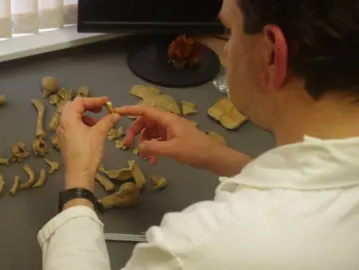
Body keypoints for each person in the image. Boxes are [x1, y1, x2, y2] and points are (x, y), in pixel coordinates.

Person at [38, 0, 359, 269]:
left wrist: (78, 185)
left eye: (228, 32)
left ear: (272, 55)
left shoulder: (202, 248)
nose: (225, 50)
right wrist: (220, 157)